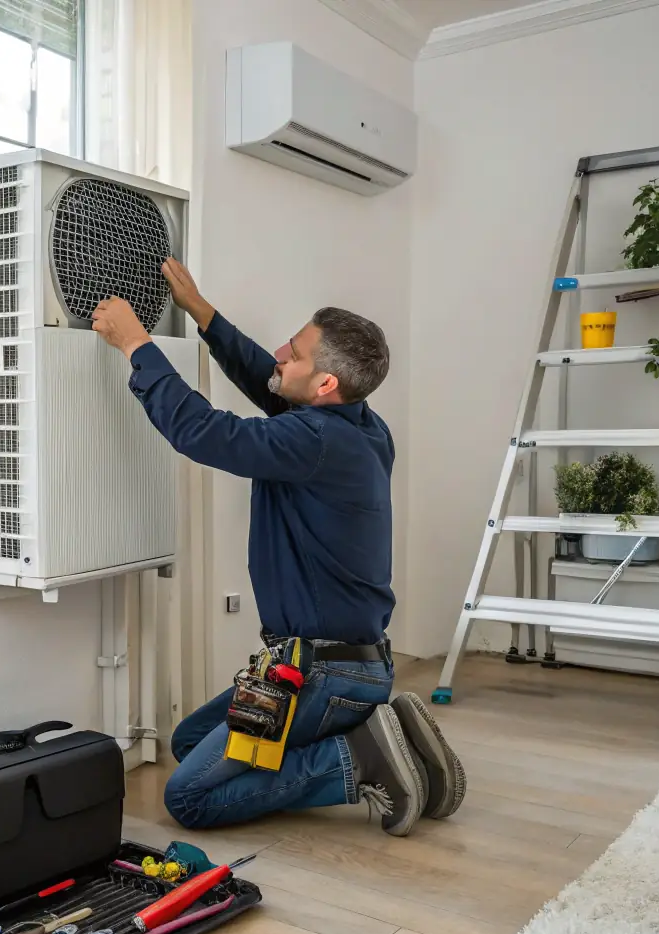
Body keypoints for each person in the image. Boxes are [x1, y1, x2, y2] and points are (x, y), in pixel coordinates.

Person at [90, 259, 465, 837]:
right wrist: (203, 314)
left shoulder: (312, 438)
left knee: (189, 797)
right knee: (190, 741)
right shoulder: (363, 427)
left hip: (316, 673)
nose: (279, 356)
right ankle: (389, 740)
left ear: (324, 386)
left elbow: (204, 432)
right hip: (348, 664)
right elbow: (269, 376)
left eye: (294, 353)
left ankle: (358, 758)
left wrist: (135, 343)